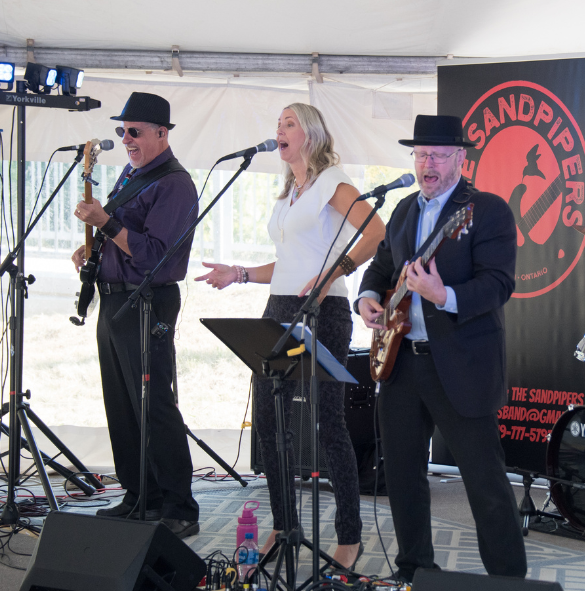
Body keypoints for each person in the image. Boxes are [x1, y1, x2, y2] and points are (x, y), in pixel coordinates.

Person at [195, 103, 383, 569]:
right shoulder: (290, 194)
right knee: (269, 419)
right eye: (277, 123)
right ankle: (283, 525)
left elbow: (377, 232)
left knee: (329, 422)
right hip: (281, 307)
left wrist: (331, 276)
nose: (278, 130)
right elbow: (291, 264)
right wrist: (239, 273)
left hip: (326, 309)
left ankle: (349, 534)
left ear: (312, 135)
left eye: (289, 123)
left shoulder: (332, 184)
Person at [356, 115, 527, 582]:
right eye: (420, 155)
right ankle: (414, 569)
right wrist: (367, 297)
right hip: (401, 364)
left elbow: (498, 285)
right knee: (405, 479)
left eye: (437, 155)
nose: (427, 164)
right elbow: (381, 267)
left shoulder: (487, 210)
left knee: (486, 484)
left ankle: (509, 580)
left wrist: (442, 295)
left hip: (463, 366)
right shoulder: (405, 210)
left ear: (461, 160)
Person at [71, 92, 200, 538]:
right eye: (121, 131)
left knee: (154, 404)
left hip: (148, 301)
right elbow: (123, 236)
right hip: (114, 300)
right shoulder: (132, 172)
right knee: (122, 404)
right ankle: (140, 497)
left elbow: (155, 257)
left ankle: (179, 507)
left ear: (162, 134)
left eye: (135, 132)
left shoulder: (174, 183)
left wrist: (106, 223)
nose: (126, 139)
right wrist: (93, 249)